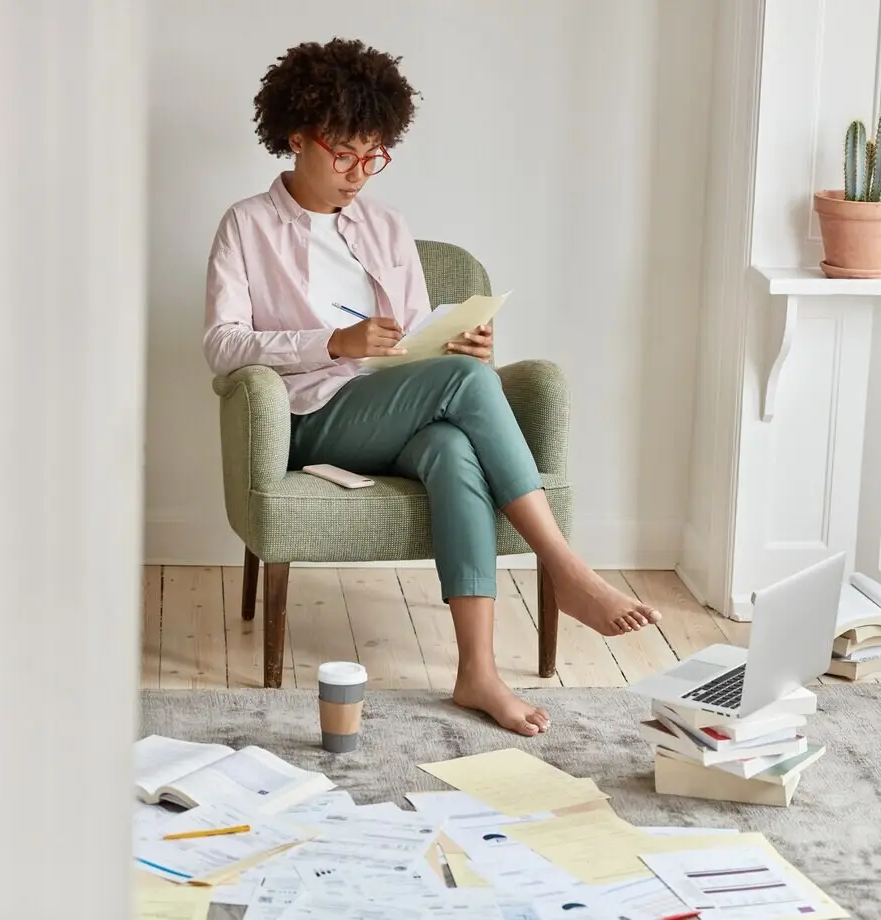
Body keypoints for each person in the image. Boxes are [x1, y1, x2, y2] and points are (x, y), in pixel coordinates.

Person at [202, 38, 661, 737]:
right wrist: (332, 342)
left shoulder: (386, 226)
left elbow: (421, 340)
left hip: (400, 406)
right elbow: (222, 344)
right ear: (297, 136)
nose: (361, 173)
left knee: (453, 442)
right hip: (311, 416)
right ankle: (564, 565)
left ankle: (477, 671)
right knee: (458, 386)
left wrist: (464, 345)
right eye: (345, 154)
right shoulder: (247, 225)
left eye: (375, 154)